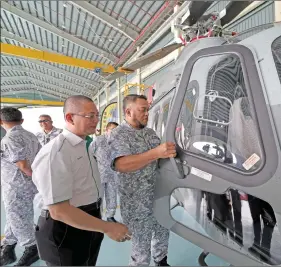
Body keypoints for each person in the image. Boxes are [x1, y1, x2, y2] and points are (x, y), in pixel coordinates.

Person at [31, 95, 130, 266]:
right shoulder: (56, 153)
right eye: (90, 116)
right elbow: (59, 210)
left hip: (88, 221)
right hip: (65, 228)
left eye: (97, 116)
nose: (96, 121)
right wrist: (108, 227)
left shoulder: (85, 146)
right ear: (70, 117)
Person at [109, 94, 176, 266]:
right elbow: (122, 164)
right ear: (128, 111)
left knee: (163, 232)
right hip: (136, 203)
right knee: (141, 246)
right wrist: (156, 153)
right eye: (143, 110)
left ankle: (161, 260)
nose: (147, 113)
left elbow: (160, 160)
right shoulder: (118, 135)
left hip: (158, 195)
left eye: (148, 109)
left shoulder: (150, 133)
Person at [0, 107, 41, 266]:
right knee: (14, 216)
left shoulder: (10, 139)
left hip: (16, 187)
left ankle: (31, 248)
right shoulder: (31, 136)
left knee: (18, 217)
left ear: (1, 122)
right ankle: (8, 247)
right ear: (21, 120)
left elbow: (23, 165)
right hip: (27, 186)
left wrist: (37, 179)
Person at [90, 121, 119, 222]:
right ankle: (98, 217)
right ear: (107, 130)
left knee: (112, 195)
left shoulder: (118, 142)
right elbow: (90, 153)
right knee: (99, 196)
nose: (115, 132)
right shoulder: (98, 140)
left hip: (113, 174)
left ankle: (110, 216)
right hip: (99, 174)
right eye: (113, 130)